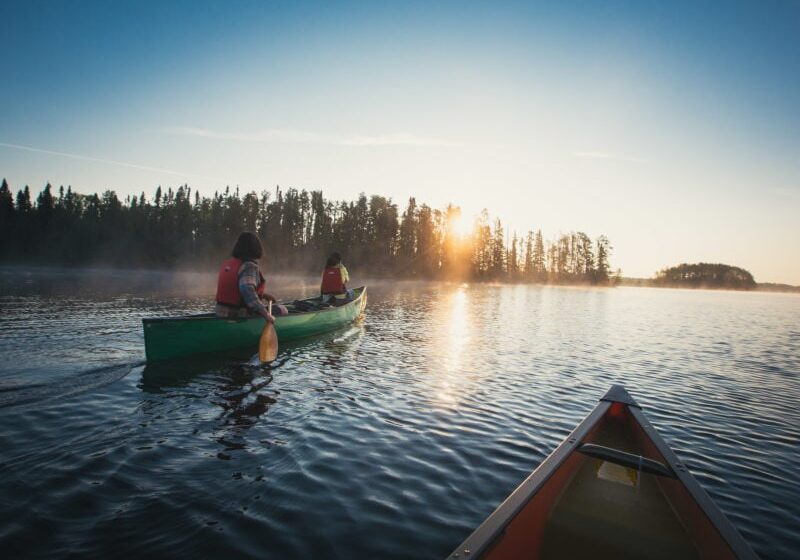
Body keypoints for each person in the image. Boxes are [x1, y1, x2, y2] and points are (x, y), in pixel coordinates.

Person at [215, 232, 288, 322]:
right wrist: (266, 315)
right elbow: (247, 291)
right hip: (237, 314)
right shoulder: (248, 266)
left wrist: (263, 295)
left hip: (220, 313)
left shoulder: (228, 264)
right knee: (283, 309)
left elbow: (236, 289)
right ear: (256, 248)